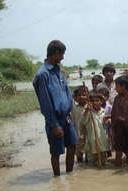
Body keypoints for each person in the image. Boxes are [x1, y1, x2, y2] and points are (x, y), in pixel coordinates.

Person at [33, 40, 77, 176]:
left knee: (73, 145)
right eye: (62, 54)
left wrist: (72, 111)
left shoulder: (59, 71)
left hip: (67, 118)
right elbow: (45, 103)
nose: (63, 57)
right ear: (56, 53)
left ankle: (69, 176)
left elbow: (67, 92)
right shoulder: (43, 74)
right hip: (55, 121)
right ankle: (57, 179)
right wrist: (54, 125)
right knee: (56, 152)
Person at [82, 93, 108, 166]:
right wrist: (87, 110)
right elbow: (83, 121)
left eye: (97, 100)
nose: (95, 102)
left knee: (103, 164)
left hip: (103, 144)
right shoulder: (88, 112)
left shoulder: (104, 112)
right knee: (91, 166)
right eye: (93, 101)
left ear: (101, 102)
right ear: (90, 102)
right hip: (92, 144)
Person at [71, 86, 88, 162]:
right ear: (75, 98)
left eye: (84, 95)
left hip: (88, 135)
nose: (82, 97)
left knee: (89, 156)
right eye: (79, 95)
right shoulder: (73, 109)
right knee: (79, 155)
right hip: (78, 135)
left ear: (87, 96)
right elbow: (72, 123)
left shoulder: (90, 107)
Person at [97, 86, 113, 157]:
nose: (101, 98)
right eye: (99, 96)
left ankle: (109, 155)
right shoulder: (96, 107)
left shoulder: (109, 107)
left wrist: (108, 118)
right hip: (99, 128)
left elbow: (113, 116)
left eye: (103, 96)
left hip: (108, 128)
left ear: (107, 97)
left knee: (107, 143)